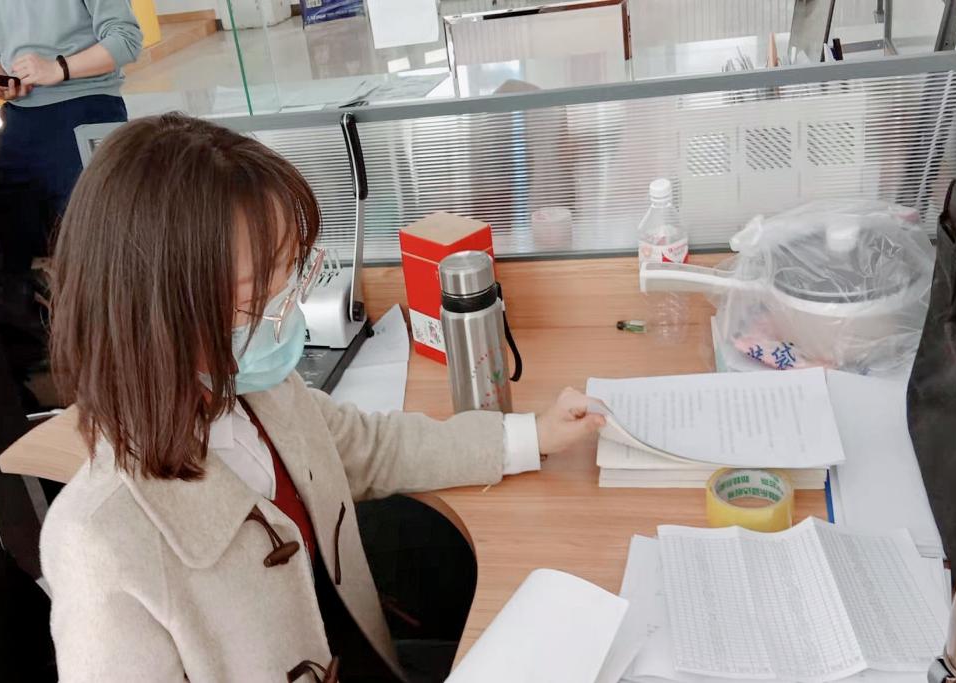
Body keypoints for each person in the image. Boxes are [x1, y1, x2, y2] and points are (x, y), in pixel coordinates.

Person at [42, 113, 607, 682]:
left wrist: (532, 434)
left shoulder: (260, 391)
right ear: (157, 311)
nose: (289, 303)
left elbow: (374, 447)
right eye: (259, 291)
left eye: (291, 270)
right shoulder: (99, 541)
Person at [0, 0, 142, 260]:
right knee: (11, 247)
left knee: (96, 245)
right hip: (19, 121)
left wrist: (58, 68)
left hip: (87, 109)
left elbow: (126, 40)